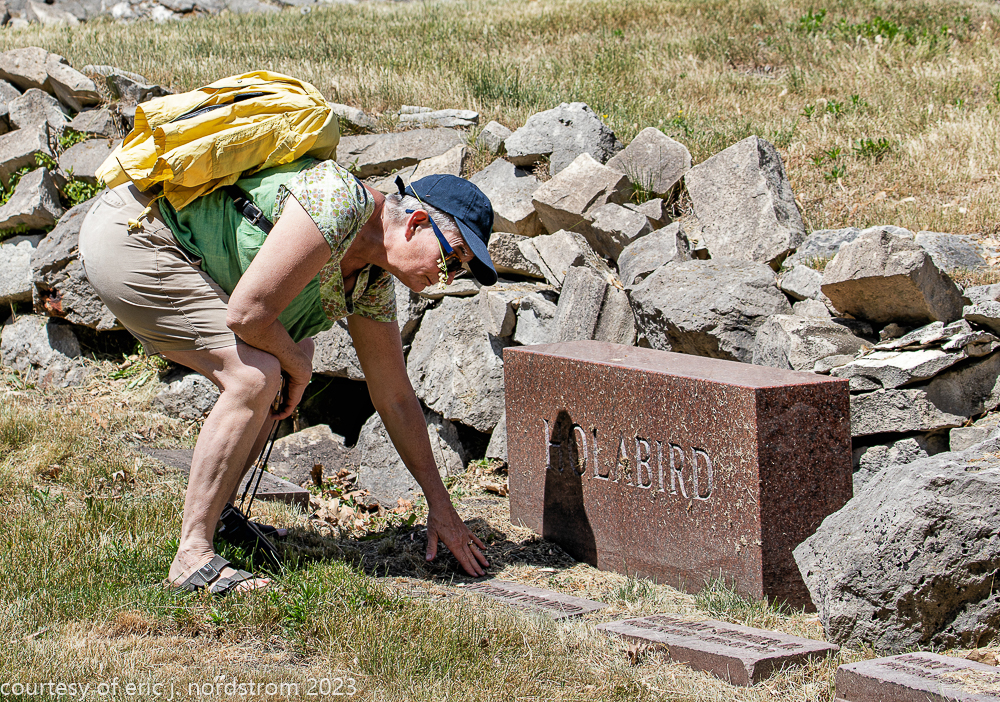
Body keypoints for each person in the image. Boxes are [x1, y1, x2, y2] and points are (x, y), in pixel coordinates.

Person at [79, 158, 495, 594]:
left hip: (168, 250)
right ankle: (192, 556)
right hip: (135, 236)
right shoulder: (337, 199)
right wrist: (298, 368)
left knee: (284, 359)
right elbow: (247, 315)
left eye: (460, 269)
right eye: (452, 257)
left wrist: (440, 505)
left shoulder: (372, 280)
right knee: (257, 376)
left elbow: (395, 397)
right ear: (417, 222)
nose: (448, 277)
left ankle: (218, 518)